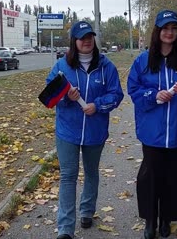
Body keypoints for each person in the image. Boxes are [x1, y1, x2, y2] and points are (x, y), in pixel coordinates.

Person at [127, 10, 177, 239]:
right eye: (165, 28)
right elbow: (133, 90)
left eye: (174, 28)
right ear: (157, 31)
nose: (169, 33)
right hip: (152, 133)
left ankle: (166, 219)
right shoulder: (143, 60)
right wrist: (153, 95)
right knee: (151, 177)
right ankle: (150, 220)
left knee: (174, 177)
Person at [45, 21, 124, 239]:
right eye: (82, 37)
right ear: (74, 41)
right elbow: (50, 97)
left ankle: (87, 210)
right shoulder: (61, 66)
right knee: (68, 176)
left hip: (95, 131)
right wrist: (66, 99)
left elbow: (116, 95)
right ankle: (65, 228)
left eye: (90, 36)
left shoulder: (106, 66)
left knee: (91, 173)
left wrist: (97, 105)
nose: (87, 41)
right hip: (67, 131)